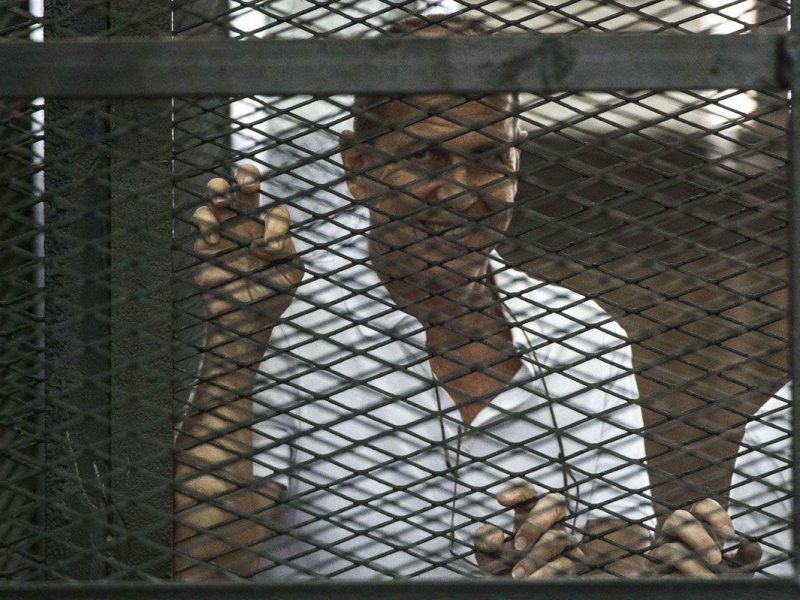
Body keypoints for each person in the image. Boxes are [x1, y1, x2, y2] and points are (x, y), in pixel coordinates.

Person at [173, 14, 732, 581]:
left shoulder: (582, 334)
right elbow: (206, 569)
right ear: (358, 166)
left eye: (489, 157)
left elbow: (621, 550)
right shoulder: (290, 335)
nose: (463, 193)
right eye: (427, 158)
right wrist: (238, 337)